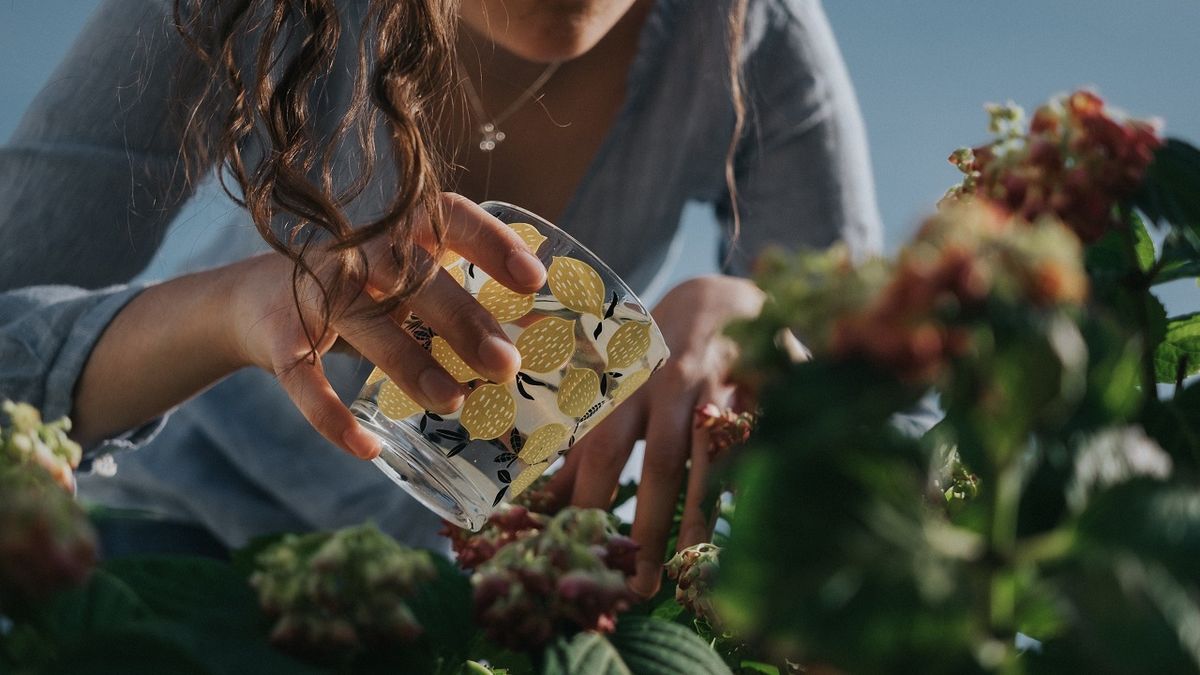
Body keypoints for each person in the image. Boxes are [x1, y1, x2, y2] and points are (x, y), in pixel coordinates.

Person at [0, 0, 880, 596]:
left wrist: (759, 322)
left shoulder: (747, 32)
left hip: (469, 599)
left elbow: (885, 424)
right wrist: (232, 311)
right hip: (162, 532)